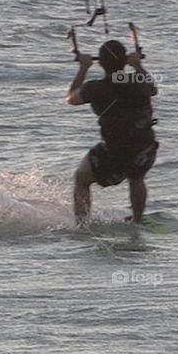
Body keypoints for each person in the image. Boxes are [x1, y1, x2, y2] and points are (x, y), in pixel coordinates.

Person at [66, 39, 159, 224]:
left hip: (115, 150)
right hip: (144, 147)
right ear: (124, 61)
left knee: (81, 178)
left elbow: (71, 98)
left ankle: (83, 225)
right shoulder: (138, 82)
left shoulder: (95, 88)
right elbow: (153, 89)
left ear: (100, 63)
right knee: (137, 177)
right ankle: (137, 220)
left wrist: (83, 68)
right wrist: (138, 66)